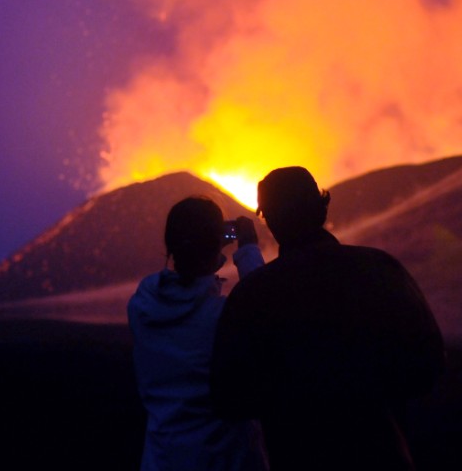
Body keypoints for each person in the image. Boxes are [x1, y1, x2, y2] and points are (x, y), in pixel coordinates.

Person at [210, 167, 445, 471]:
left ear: (270, 220)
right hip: (383, 455)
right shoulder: (381, 270)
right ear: (322, 206)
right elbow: (428, 365)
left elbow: (228, 398)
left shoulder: (253, 295)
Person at [128, 196, 268, 471]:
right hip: (223, 460)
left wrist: (204, 247)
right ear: (217, 243)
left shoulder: (142, 306)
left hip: (162, 459)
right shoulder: (223, 317)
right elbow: (264, 308)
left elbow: (178, 282)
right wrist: (248, 250)